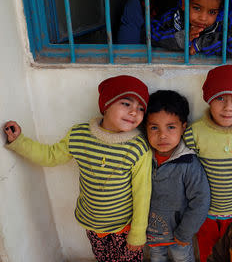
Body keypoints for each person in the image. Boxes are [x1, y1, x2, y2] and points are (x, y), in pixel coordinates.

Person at [3, 75, 152, 262]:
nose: (134, 113)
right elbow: (50, 156)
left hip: (124, 227)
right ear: (106, 104)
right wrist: (20, 142)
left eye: (140, 109)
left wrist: (138, 233)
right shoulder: (80, 135)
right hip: (91, 224)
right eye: (126, 103)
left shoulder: (138, 148)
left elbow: (142, 194)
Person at [183, 64, 232, 261]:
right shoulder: (195, 133)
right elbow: (189, 173)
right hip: (205, 213)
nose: (228, 107)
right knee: (208, 253)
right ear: (209, 99)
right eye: (220, 98)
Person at [144, 90, 210, 262]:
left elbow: (201, 200)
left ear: (183, 127)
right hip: (152, 235)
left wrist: (185, 232)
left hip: (179, 236)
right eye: (154, 127)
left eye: (171, 127)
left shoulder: (188, 163)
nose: (162, 135)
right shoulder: (142, 159)